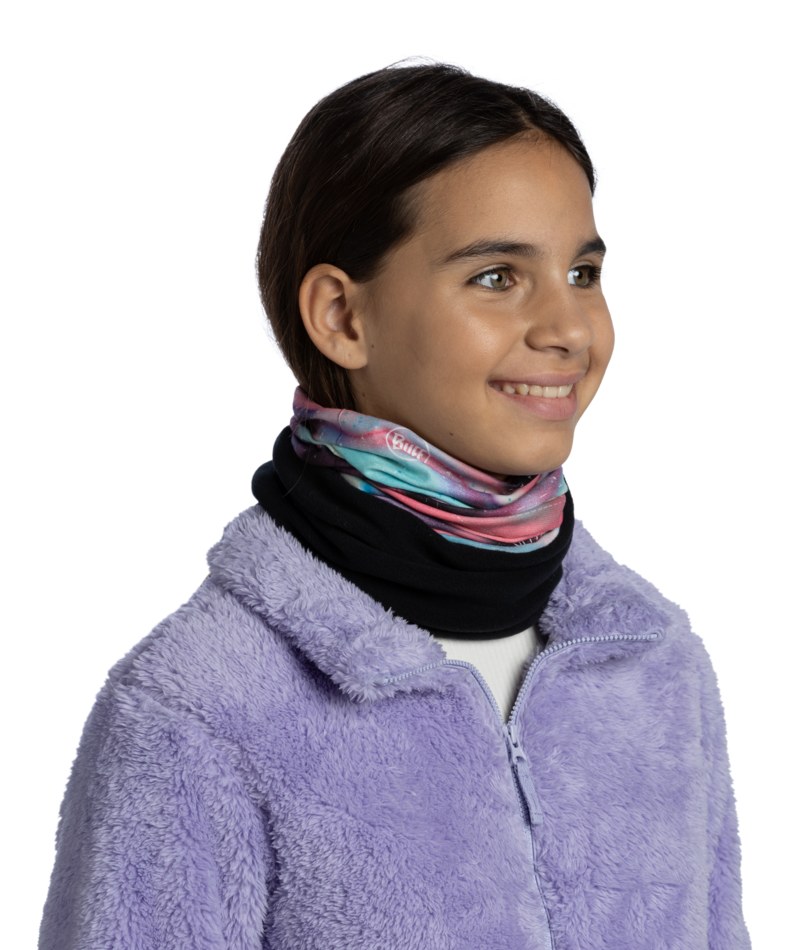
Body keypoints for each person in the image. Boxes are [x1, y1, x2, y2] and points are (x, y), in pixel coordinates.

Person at [39, 63, 750, 949]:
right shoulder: (201, 710)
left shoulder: (654, 665)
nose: (569, 328)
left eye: (582, 272)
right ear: (342, 316)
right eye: (497, 277)